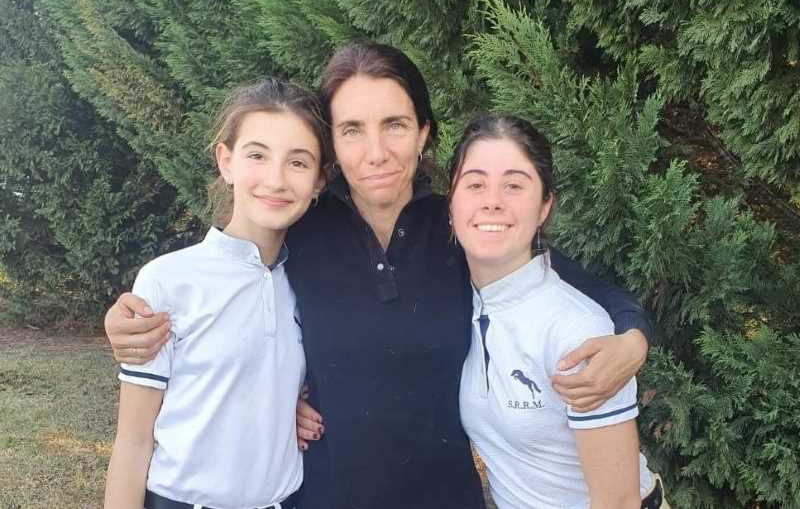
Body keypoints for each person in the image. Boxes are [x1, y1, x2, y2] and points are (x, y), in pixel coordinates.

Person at [105, 42, 653, 509]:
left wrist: (633, 340)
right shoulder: (302, 230)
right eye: (351, 130)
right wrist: (132, 318)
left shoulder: (460, 226)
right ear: (331, 150)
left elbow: (574, 287)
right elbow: (235, 293)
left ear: (423, 132)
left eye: (395, 125)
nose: (376, 153)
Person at [103, 78, 329, 509]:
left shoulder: (310, 284)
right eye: (257, 155)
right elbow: (132, 441)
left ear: (319, 181)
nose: (276, 179)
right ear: (226, 162)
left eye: (298, 162)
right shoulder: (168, 280)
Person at [449, 114, 668, 509]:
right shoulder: (459, 296)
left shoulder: (577, 332)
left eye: (514, 185)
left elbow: (617, 502)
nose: (492, 200)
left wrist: (635, 336)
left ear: (544, 206)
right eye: (475, 184)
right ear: (450, 201)